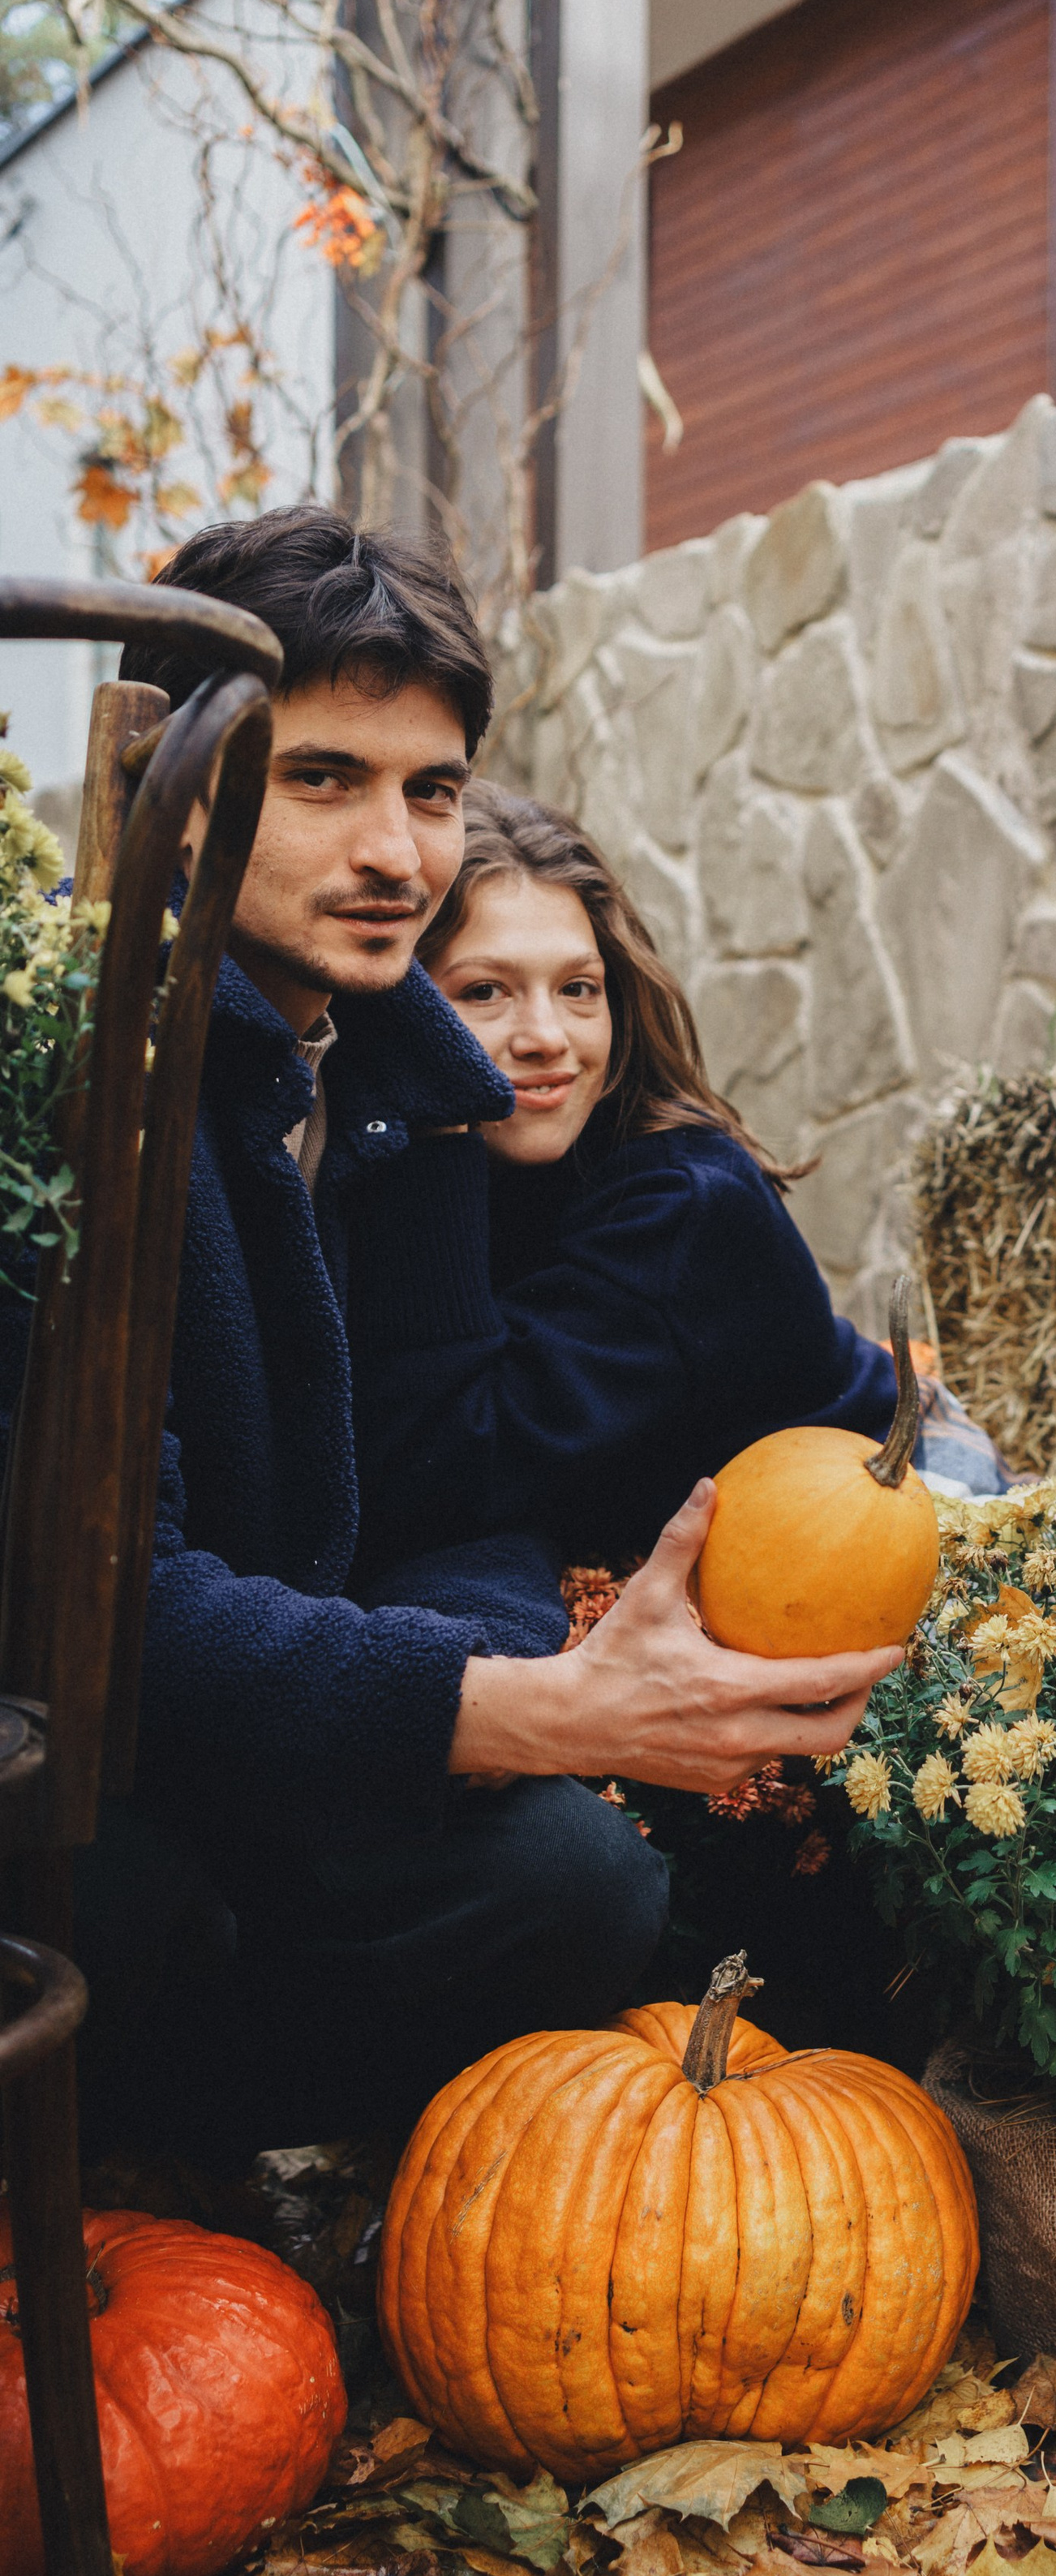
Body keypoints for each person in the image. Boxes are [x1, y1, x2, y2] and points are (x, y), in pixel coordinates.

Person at [11, 508, 895, 2161]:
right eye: (322, 778)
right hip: (91, 1751)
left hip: (290, 1705)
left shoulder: (404, 1096)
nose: (397, 854)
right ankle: (155, 2190)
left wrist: (509, 1683)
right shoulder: (86, 1086)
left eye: (429, 791)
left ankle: (316, 2170)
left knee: (577, 1880)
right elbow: (113, 1608)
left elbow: (441, 1493)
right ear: (182, 783)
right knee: (137, 1899)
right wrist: (512, 1710)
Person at [348, 785, 913, 1574]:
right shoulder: (415, 1159)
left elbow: (441, 1477)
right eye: (484, 992)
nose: (547, 1038)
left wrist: (440, 1130)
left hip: (898, 1511)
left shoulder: (679, 1208)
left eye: (578, 989)